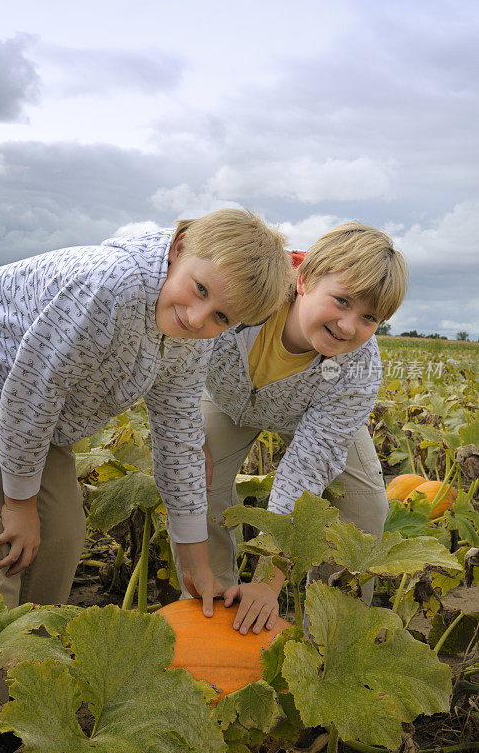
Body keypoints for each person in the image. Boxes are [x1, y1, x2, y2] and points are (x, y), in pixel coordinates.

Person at [0, 208, 290, 753]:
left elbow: (179, 434)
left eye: (221, 316)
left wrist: (195, 564)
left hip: (32, 419)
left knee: (59, 541)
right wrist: (18, 503)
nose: (197, 315)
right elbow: (31, 390)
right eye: (198, 289)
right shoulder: (111, 283)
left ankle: (24, 701)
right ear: (179, 247)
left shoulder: (188, 336)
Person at [173, 222, 408, 635]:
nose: (349, 326)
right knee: (197, 479)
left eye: (369, 317)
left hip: (308, 414)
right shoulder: (245, 291)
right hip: (226, 401)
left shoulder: (359, 366)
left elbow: (305, 470)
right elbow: (178, 361)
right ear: (303, 280)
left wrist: (270, 581)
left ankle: (333, 639)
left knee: (365, 509)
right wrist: (189, 434)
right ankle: (214, 617)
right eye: (341, 301)